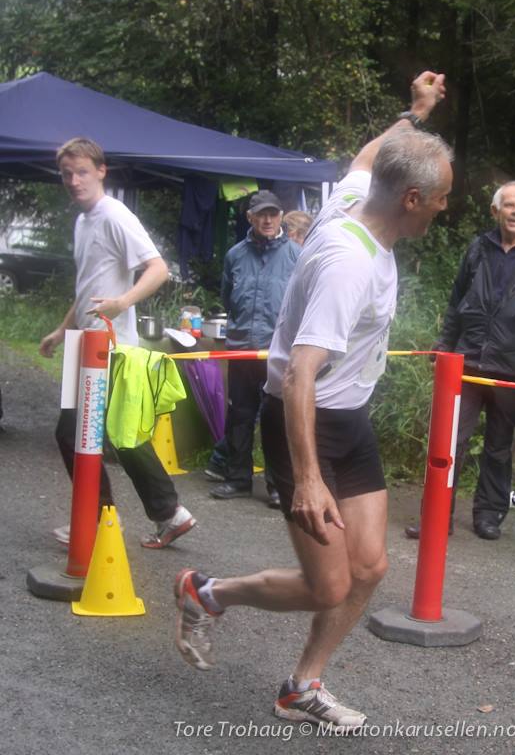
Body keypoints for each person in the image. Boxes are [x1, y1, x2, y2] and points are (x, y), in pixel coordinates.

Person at [174, 72, 451, 730]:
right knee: (328, 583)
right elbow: (300, 376)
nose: (444, 208)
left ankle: (301, 686)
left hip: (346, 418)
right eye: (441, 199)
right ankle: (206, 593)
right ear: (411, 198)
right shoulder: (347, 265)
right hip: (303, 419)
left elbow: (368, 155)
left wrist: (414, 112)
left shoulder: (357, 198)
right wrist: (306, 479)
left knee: (369, 566)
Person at [39, 137, 196, 549]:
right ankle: (169, 513)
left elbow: (158, 268)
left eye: (82, 172)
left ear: (101, 171)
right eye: (67, 174)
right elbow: (87, 289)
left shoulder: (114, 215)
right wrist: (61, 330)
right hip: (84, 343)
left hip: (109, 347)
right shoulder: (83, 221)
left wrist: (123, 302)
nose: (74, 181)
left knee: (75, 433)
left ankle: (100, 519)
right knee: (117, 433)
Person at [406, 181, 515, 542]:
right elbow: (455, 302)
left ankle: (489, 515)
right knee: (450, 441)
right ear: (495, 211)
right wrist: (445, 346)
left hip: (513, 366)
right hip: (467, 361)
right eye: (508, 205)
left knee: (498, 446)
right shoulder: (478, 247)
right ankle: (436, 516)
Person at [208, 189, 301, 507]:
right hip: (241, 349)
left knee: (277, 418)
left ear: (281, 217)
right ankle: (237, 479)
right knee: (239, 415)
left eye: (273, 214)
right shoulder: (235, 255)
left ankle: (278, 486)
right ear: (250, 218)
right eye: (261, 214)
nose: (268, 220)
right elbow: (228, 298)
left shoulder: (296, 256)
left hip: (277, 352)